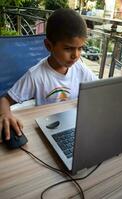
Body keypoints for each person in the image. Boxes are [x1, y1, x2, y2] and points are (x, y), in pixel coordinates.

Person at [0, 8, 97, 142]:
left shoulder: (80, 68)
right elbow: (5, 100)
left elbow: (97, 89)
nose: (76, 56)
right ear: (49, 46)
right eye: (68, 48)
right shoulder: (36, 75)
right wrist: (6, 114)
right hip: (48, 129)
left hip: (75, 125)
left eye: (80, 48)